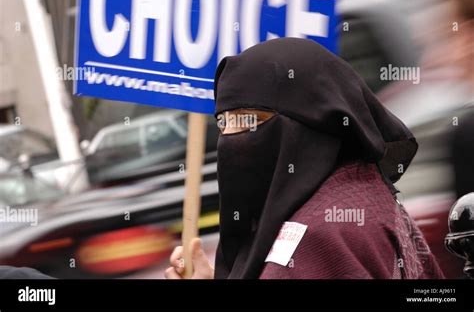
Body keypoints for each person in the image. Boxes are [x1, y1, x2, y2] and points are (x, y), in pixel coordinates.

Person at [165, 37, 444, 279]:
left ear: (308, 123)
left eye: (248, 121)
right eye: (223, 123)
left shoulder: (318, 239)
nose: (229, 137)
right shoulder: (365, 193)